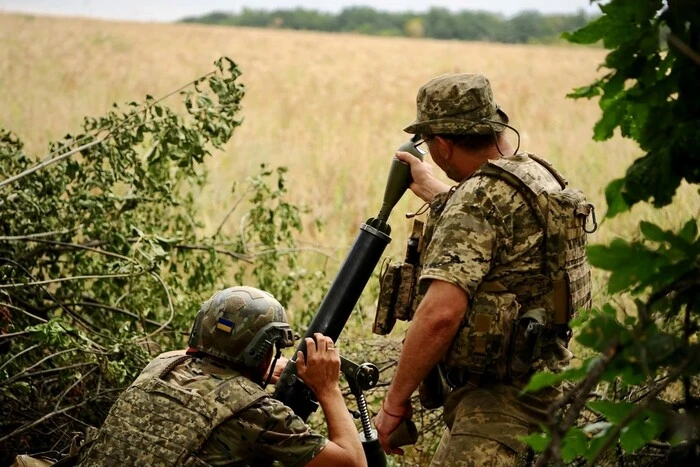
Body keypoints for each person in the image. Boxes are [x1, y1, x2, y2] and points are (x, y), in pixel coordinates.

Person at [374, 74, 593, 465]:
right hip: (549, 384)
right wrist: (438, 192)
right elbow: (501, 228)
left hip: (499, 405)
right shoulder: (538, 175)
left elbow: (441, 314)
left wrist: (393, 403)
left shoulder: (475, 202)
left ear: (442, 144)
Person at [77, 285, 367, 467]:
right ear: (263, 350)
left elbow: (202, 353)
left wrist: (258, 368)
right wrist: (328, 388)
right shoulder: (257, 411)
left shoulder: (161, 364)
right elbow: (353, 463)